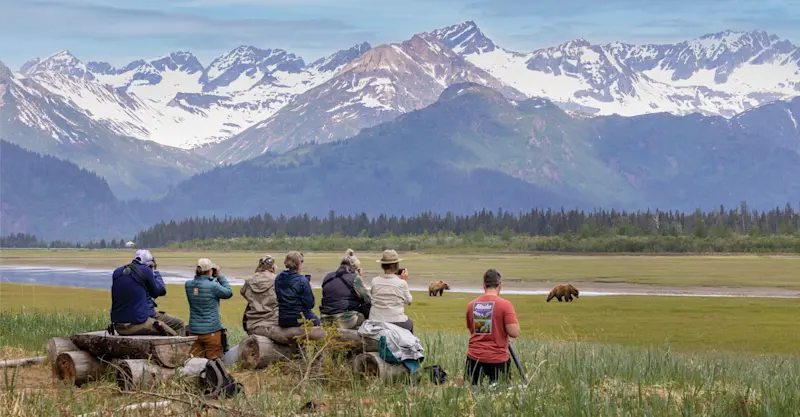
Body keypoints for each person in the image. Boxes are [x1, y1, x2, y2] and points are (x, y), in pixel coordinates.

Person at [464, 269, 520, 386]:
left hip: (474, 358)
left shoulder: (471, 305)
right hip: (497, 359)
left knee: (472, 394)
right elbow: (514, 332)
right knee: (499, 396)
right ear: (500, 286)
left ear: (484, 286)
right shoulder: (506, 305)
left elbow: (471, 329)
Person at [111, 249, 185, 336]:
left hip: (118, 326)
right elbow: (158, 292)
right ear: (148, 264)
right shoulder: (145, 271)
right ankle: (178, 347)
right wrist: (155, 273)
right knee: (172, 333)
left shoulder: (117, 272)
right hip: (136, 323)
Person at [185, 258, 233, 359]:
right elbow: (228, 293)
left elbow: (201, 285)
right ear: (210, 270)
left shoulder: (188, 285)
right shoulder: (213, 286)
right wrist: (219, 275)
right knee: (214, 363)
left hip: (193, 331)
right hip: (212, 331)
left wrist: (211, 277)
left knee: (197, 363)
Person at [320, 249, 372, 329]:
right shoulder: (355, 278)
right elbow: (368, 299)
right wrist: (361, 277)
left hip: (325, 319)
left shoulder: (328, 277)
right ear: (355, 268)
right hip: (345, 320)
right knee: (367, 311)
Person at [369, 249, 414, 333]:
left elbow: (371, 297)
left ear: (382, 266)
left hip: (376, 320)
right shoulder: (401, 283)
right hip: (396, 320)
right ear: (397, 266)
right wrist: (403, 280)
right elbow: (409, 301)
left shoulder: (374, 281)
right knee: (410, 323)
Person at [275, 251, 321, 327]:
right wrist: (309, 288)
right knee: (320, 322)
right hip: (299, 318)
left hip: (283, 319)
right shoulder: (302, 280)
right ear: (299, 264)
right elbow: (310, 304)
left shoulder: (278, 278)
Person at [240, 254, 279, 336]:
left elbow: (243, 293)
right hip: (273, 321)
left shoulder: (249, 280)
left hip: (252, 322)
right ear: (272, 267)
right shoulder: (277, 279)